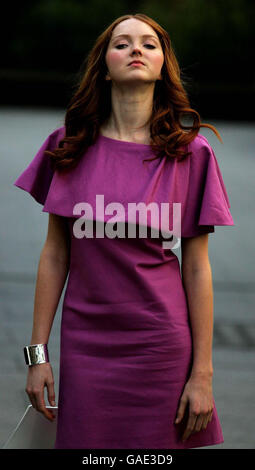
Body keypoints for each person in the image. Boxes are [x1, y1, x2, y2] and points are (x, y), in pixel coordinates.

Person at [13, 13, 234, 449]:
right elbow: (55, 254)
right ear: (104, 65)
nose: (136, 49)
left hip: (160, 346)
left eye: (149, 44)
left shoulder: (191, 154)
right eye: (123, 43)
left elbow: (197, 268)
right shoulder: (68, 145)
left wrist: (202, 375)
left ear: (162, 65)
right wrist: (36, 356)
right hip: (85, 346)